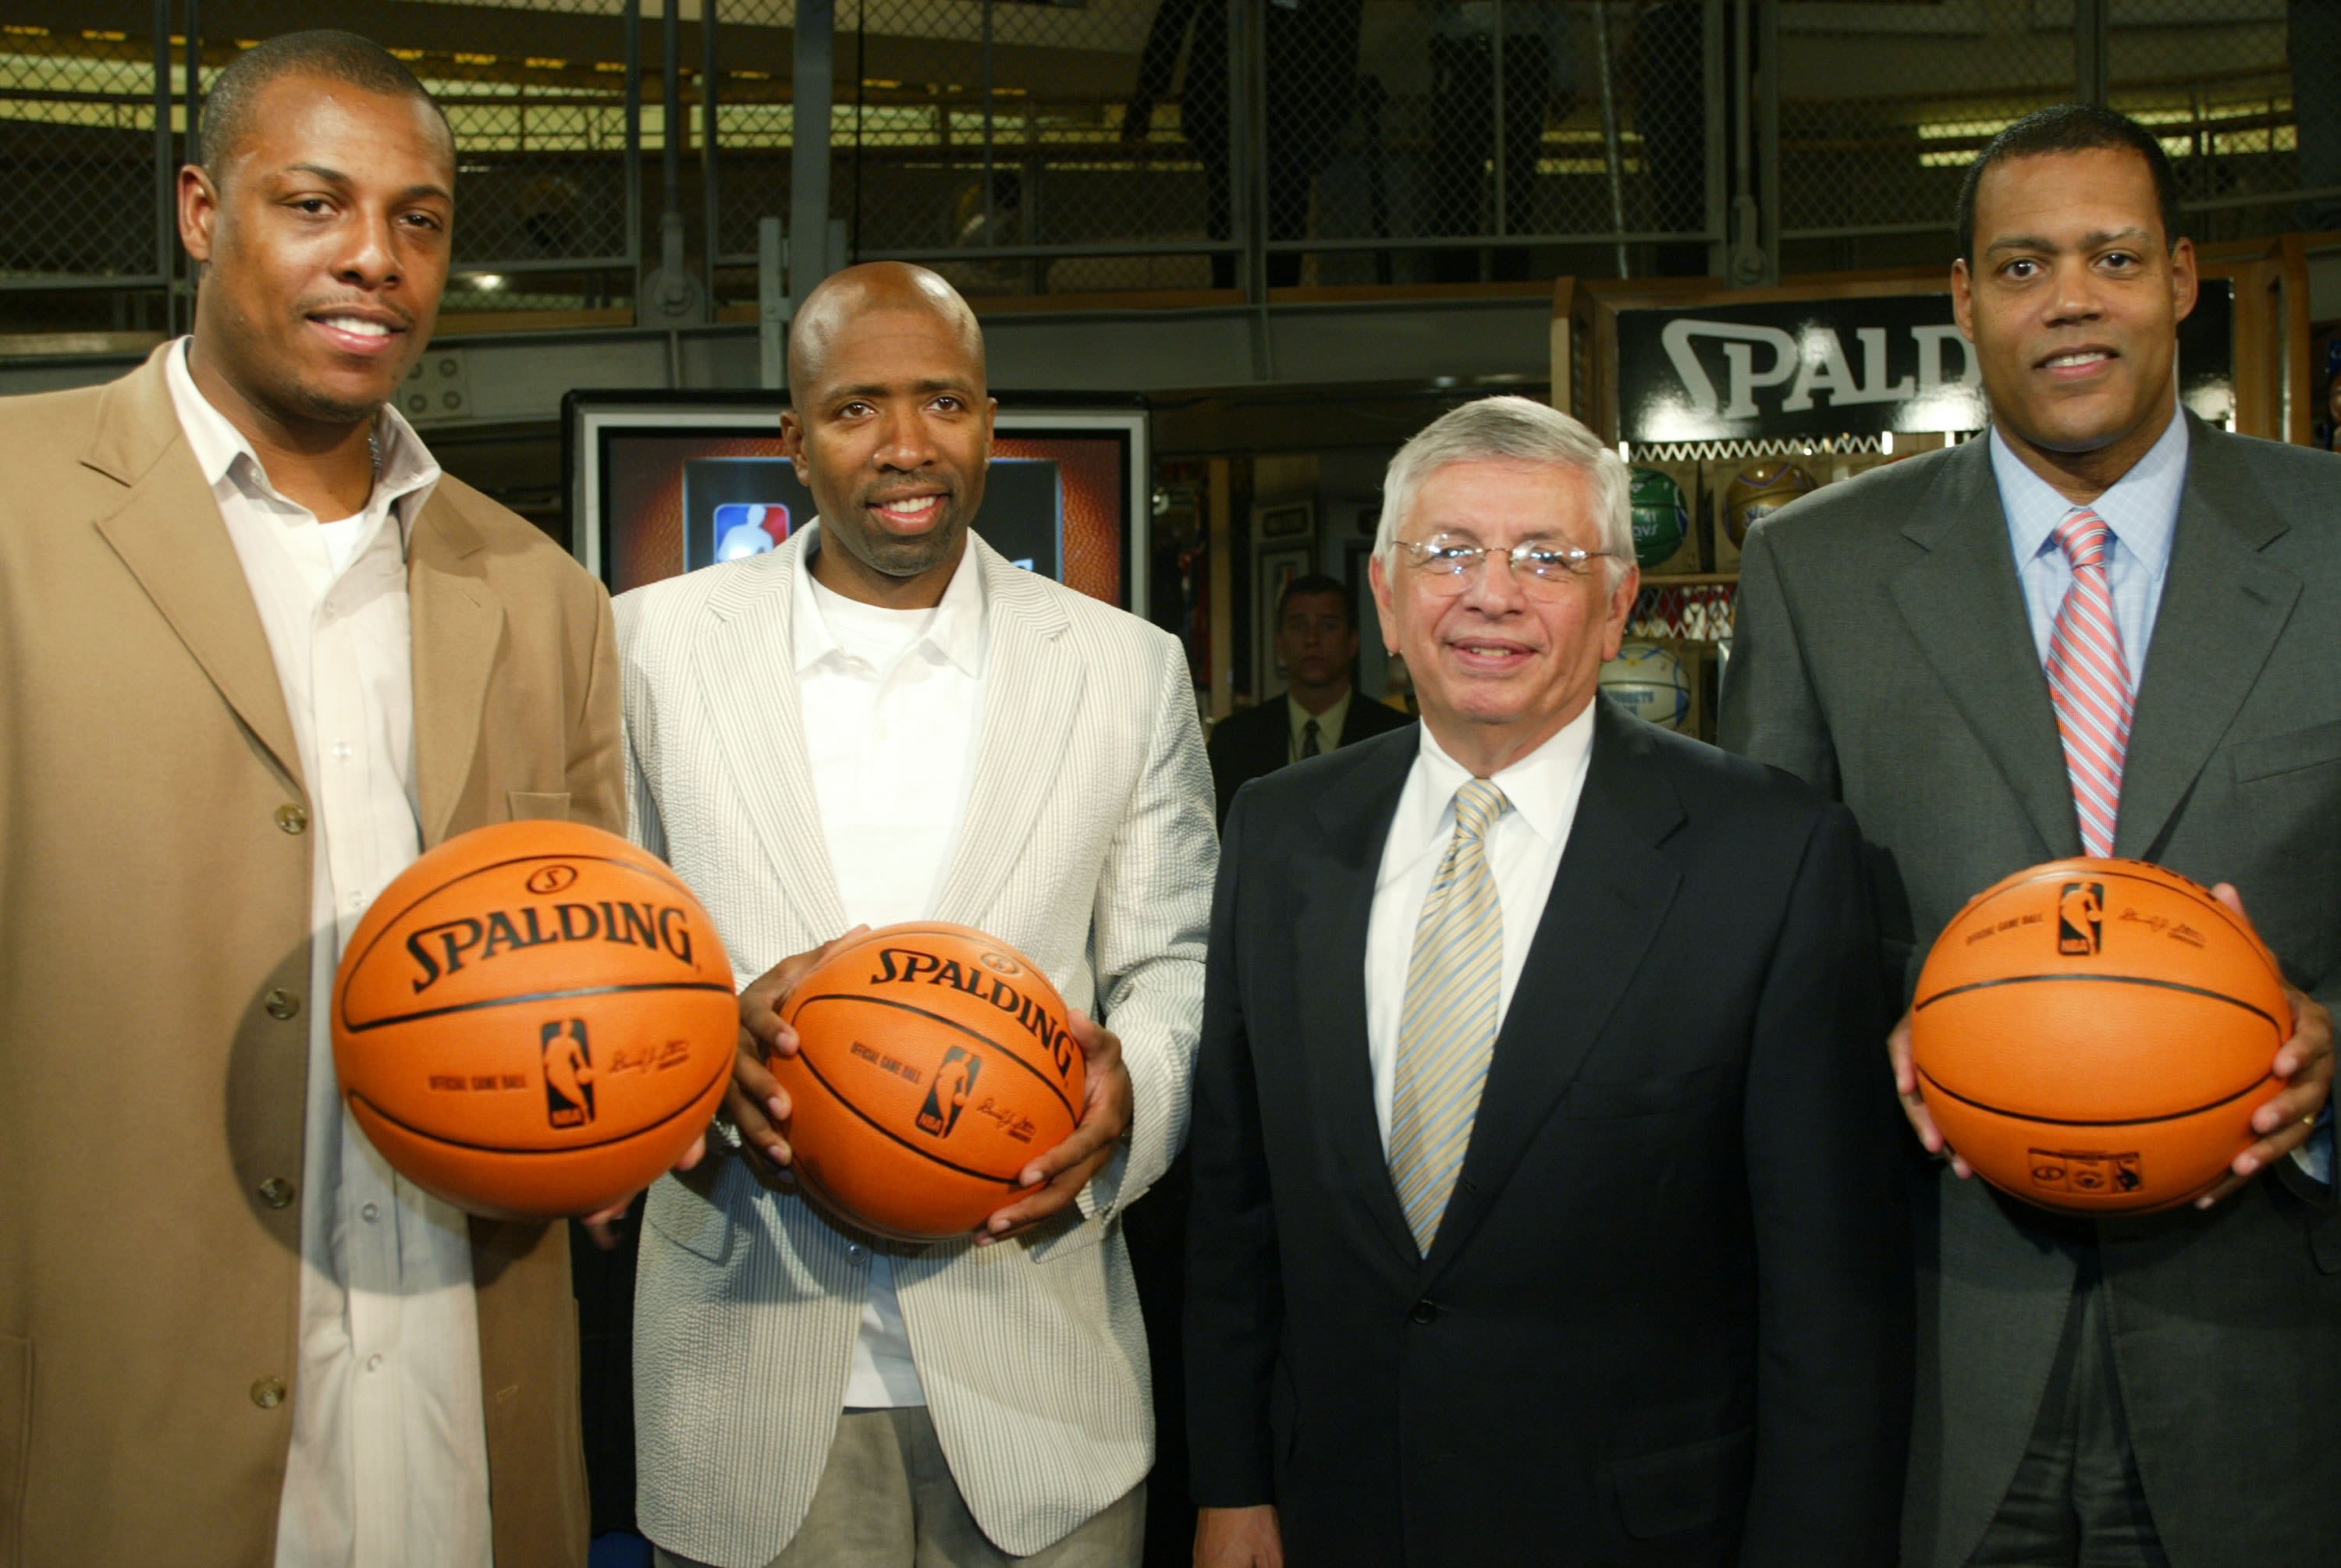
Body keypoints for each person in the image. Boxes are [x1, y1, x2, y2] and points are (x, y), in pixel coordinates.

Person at [0, 30, 623, 1568]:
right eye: (317, 205)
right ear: (204, 212)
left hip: (460, 1407)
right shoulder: (17, 508)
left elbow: (603, 972)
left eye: (420, 219)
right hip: (129, 1417)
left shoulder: (541, 590)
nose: (376, 259)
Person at [1720, 104, 2340, 1568]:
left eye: (2113, 256)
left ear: (2185, 279)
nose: (2070, 297)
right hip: (1938, 1339)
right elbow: (1764, 945)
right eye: (2021, 265)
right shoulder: (1817, 569)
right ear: (1963, 300)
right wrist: (1863, 1038)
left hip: (2268, 1352)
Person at [1185, 395, 1913, 1568]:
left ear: (1621, 602)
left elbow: (1828, 1288)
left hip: (1642, 1529)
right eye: (1451, 552)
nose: (1491, 594)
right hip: (1333, 1514)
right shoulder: (1278, 829)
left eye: (1547, 558)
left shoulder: (1769, 849)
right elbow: (1235, 1201)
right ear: (1385, 590)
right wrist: (1231, 1481)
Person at [616, 261, 1214, 1568]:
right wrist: (702, 1046)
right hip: (744, 1368)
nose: (905, 446)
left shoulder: (1123, 669)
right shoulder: (644, 652)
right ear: (791, 438)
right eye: (855, 409)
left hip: (1040, 1390)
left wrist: (1130, 1104)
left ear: (991, 421)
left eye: (942, 402)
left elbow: (1178, 962)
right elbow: (601, 961)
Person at [1123, 0, 1365, 290]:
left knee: (1241, 214)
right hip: (1280, 96)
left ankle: (1242, 300)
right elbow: (1344, 25)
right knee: (1275, 216)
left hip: (1245, 93)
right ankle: (1264, 302)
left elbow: (1176, 12)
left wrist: (1148, 92)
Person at [1205, 571, 1413, 823]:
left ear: (1352, 642)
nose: (1312, 639)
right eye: (1299, 626)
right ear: (1279, 644)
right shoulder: (1235, 740)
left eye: (1328, 626)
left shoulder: (1397, 737)